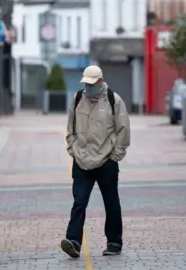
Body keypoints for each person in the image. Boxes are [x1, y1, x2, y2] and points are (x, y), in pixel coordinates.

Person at [60, 65, 131, 258]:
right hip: (81, 160)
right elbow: (70, 128)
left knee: (111, 202)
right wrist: (72, 149)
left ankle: (114, 242)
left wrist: (115, 156)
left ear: (101, 81)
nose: (89, 87)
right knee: (79, 202)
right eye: (86, 84)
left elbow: (123, 129)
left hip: (106, 160)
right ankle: (73, 241)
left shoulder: (113, 100)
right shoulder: (77, 99)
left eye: (92, 83)